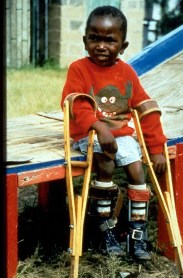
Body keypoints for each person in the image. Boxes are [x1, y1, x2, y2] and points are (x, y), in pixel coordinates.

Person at [61, 5, 167, 261]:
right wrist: (98, 128)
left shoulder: (127, 72)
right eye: (94, 38)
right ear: (85, 40)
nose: (101, 45)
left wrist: (155, 148)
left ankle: (136, 233)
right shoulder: (79, 69)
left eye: (110, 40)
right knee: (105, 165)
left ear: (123, 45)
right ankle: (103, 231)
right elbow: (76, 102)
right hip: (88, 135)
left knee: (137, 171)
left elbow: (146, 108)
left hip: (120, 134)